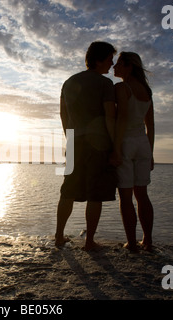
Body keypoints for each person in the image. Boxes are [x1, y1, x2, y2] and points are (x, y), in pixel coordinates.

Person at [55, 41, 118, 251]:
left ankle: (58, 236)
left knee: (68, 191)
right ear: (99, 59)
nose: (112, 64)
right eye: (110, 59)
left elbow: (63, 116)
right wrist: (114, 146)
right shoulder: (105, 84)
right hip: (98, 144)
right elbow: (110, 116)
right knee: (95, 193)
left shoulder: (69, 82)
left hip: (74, 141)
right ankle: (89, 241)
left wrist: (70, 137)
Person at [112, 52, 155, 252]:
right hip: (143, 144)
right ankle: (147, 241)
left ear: (129, 66)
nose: (114, 66)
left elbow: (120, 120)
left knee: (126, 196)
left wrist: (116, 149)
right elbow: (151, 126)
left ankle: (131, 243)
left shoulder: (122, 88)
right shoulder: (147, 91)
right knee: (142, 195)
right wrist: (151, 153)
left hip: (127, 142)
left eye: (119, 64)